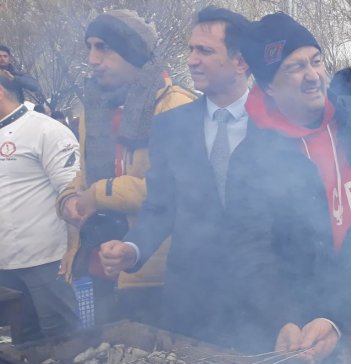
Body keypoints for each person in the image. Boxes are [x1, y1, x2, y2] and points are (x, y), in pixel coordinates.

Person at [229, 13, 351, 360]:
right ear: (269, 86)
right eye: (295, 67)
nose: (312, 76)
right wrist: (282, 319)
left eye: (316, 62)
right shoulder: (253, 155)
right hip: (309, 334)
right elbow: (250, 247)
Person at [96, 6, 250, 343]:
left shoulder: (274, 125)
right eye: (191, 49)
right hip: (190, 303)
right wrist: (132, 248)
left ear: (241, 62)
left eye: (205, 51)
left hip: (261, 308)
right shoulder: (171, 125)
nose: (192, 60)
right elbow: (159, 207)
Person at [56, 9, 195, 325]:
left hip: (148, 276)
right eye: (89, 47)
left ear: (132, 52)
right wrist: (69, 200)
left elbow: (175, 190)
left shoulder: (175, 106)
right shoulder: (93, 108)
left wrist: (99, 194)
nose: (92, 58)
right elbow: (85, 172)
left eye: (103, 47)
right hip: (95, 264)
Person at [0, 70, 80, 340]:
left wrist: (72, 249)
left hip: (46, 261)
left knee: (62, 342)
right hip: (4, 267)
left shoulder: (46, 130)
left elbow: (72, 193)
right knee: (20, 346)